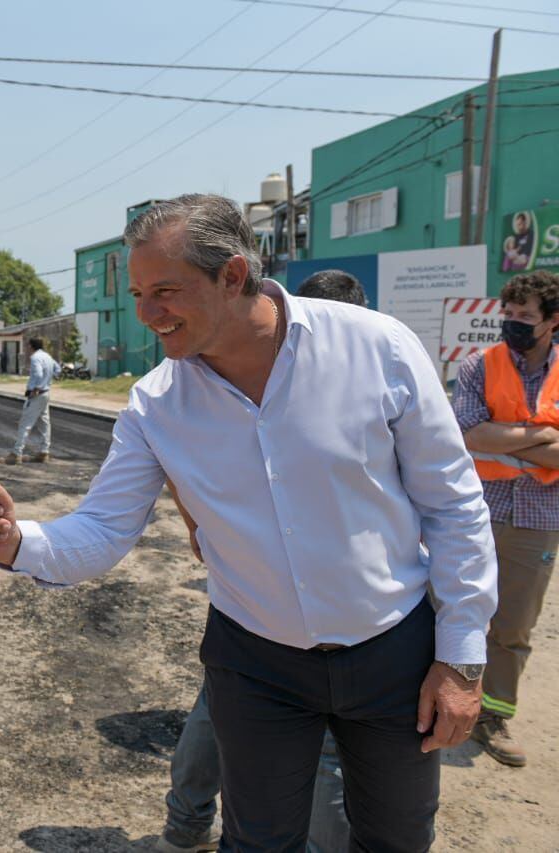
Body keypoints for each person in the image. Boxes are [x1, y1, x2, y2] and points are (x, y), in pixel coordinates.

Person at [0, 194, 497, 851]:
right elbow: (102, 529)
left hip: (393, 655)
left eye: (165, 290)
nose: (146, 314)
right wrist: (17, 541)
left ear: (233, 275)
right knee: (256, 841)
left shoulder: (376, 348)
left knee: (396, 839)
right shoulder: (157, 404)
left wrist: (461, 658)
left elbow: (453, 504)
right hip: (257, 665)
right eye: (136, 293)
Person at [157, 269, 366, 853]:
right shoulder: (303, 376)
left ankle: (184, 828)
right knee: (324, 749)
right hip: (307, 612)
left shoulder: (316, 368)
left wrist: (203, 526)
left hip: (254, 600)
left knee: (216, 707)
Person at [454, 269, 559, 768]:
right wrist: (541, 436)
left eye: (525, 317)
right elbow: (470, 434)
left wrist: (508, 435)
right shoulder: (481, 365)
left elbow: (491, 435)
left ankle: (493, 715)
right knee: (452, 608)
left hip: (538, 518)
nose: (513, 325)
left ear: (552, 322)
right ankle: (435, 701)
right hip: (476, 510)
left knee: (513, 626)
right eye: (509, 315)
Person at [5, 337, 59, 465]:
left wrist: (36, 387)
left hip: (37, 394)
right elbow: (58, 369)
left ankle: (17, 453)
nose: (26, 348)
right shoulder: (48, 356)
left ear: (31, 346)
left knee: (25, 423)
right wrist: (48, 381)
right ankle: (44, 451)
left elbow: (38, 374)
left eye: (27, 346)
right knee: (44, 423)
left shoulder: (35, 358)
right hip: (46, 393)